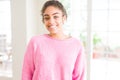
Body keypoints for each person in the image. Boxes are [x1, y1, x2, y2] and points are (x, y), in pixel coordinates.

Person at [22, 0, 86, 80]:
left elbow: (79, 77)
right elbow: (26, 74)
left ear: (64, 18)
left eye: (55, 16)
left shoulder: (76, 45)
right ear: (44, 21)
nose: (51, 21)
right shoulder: (35, 42)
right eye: (47, 18)